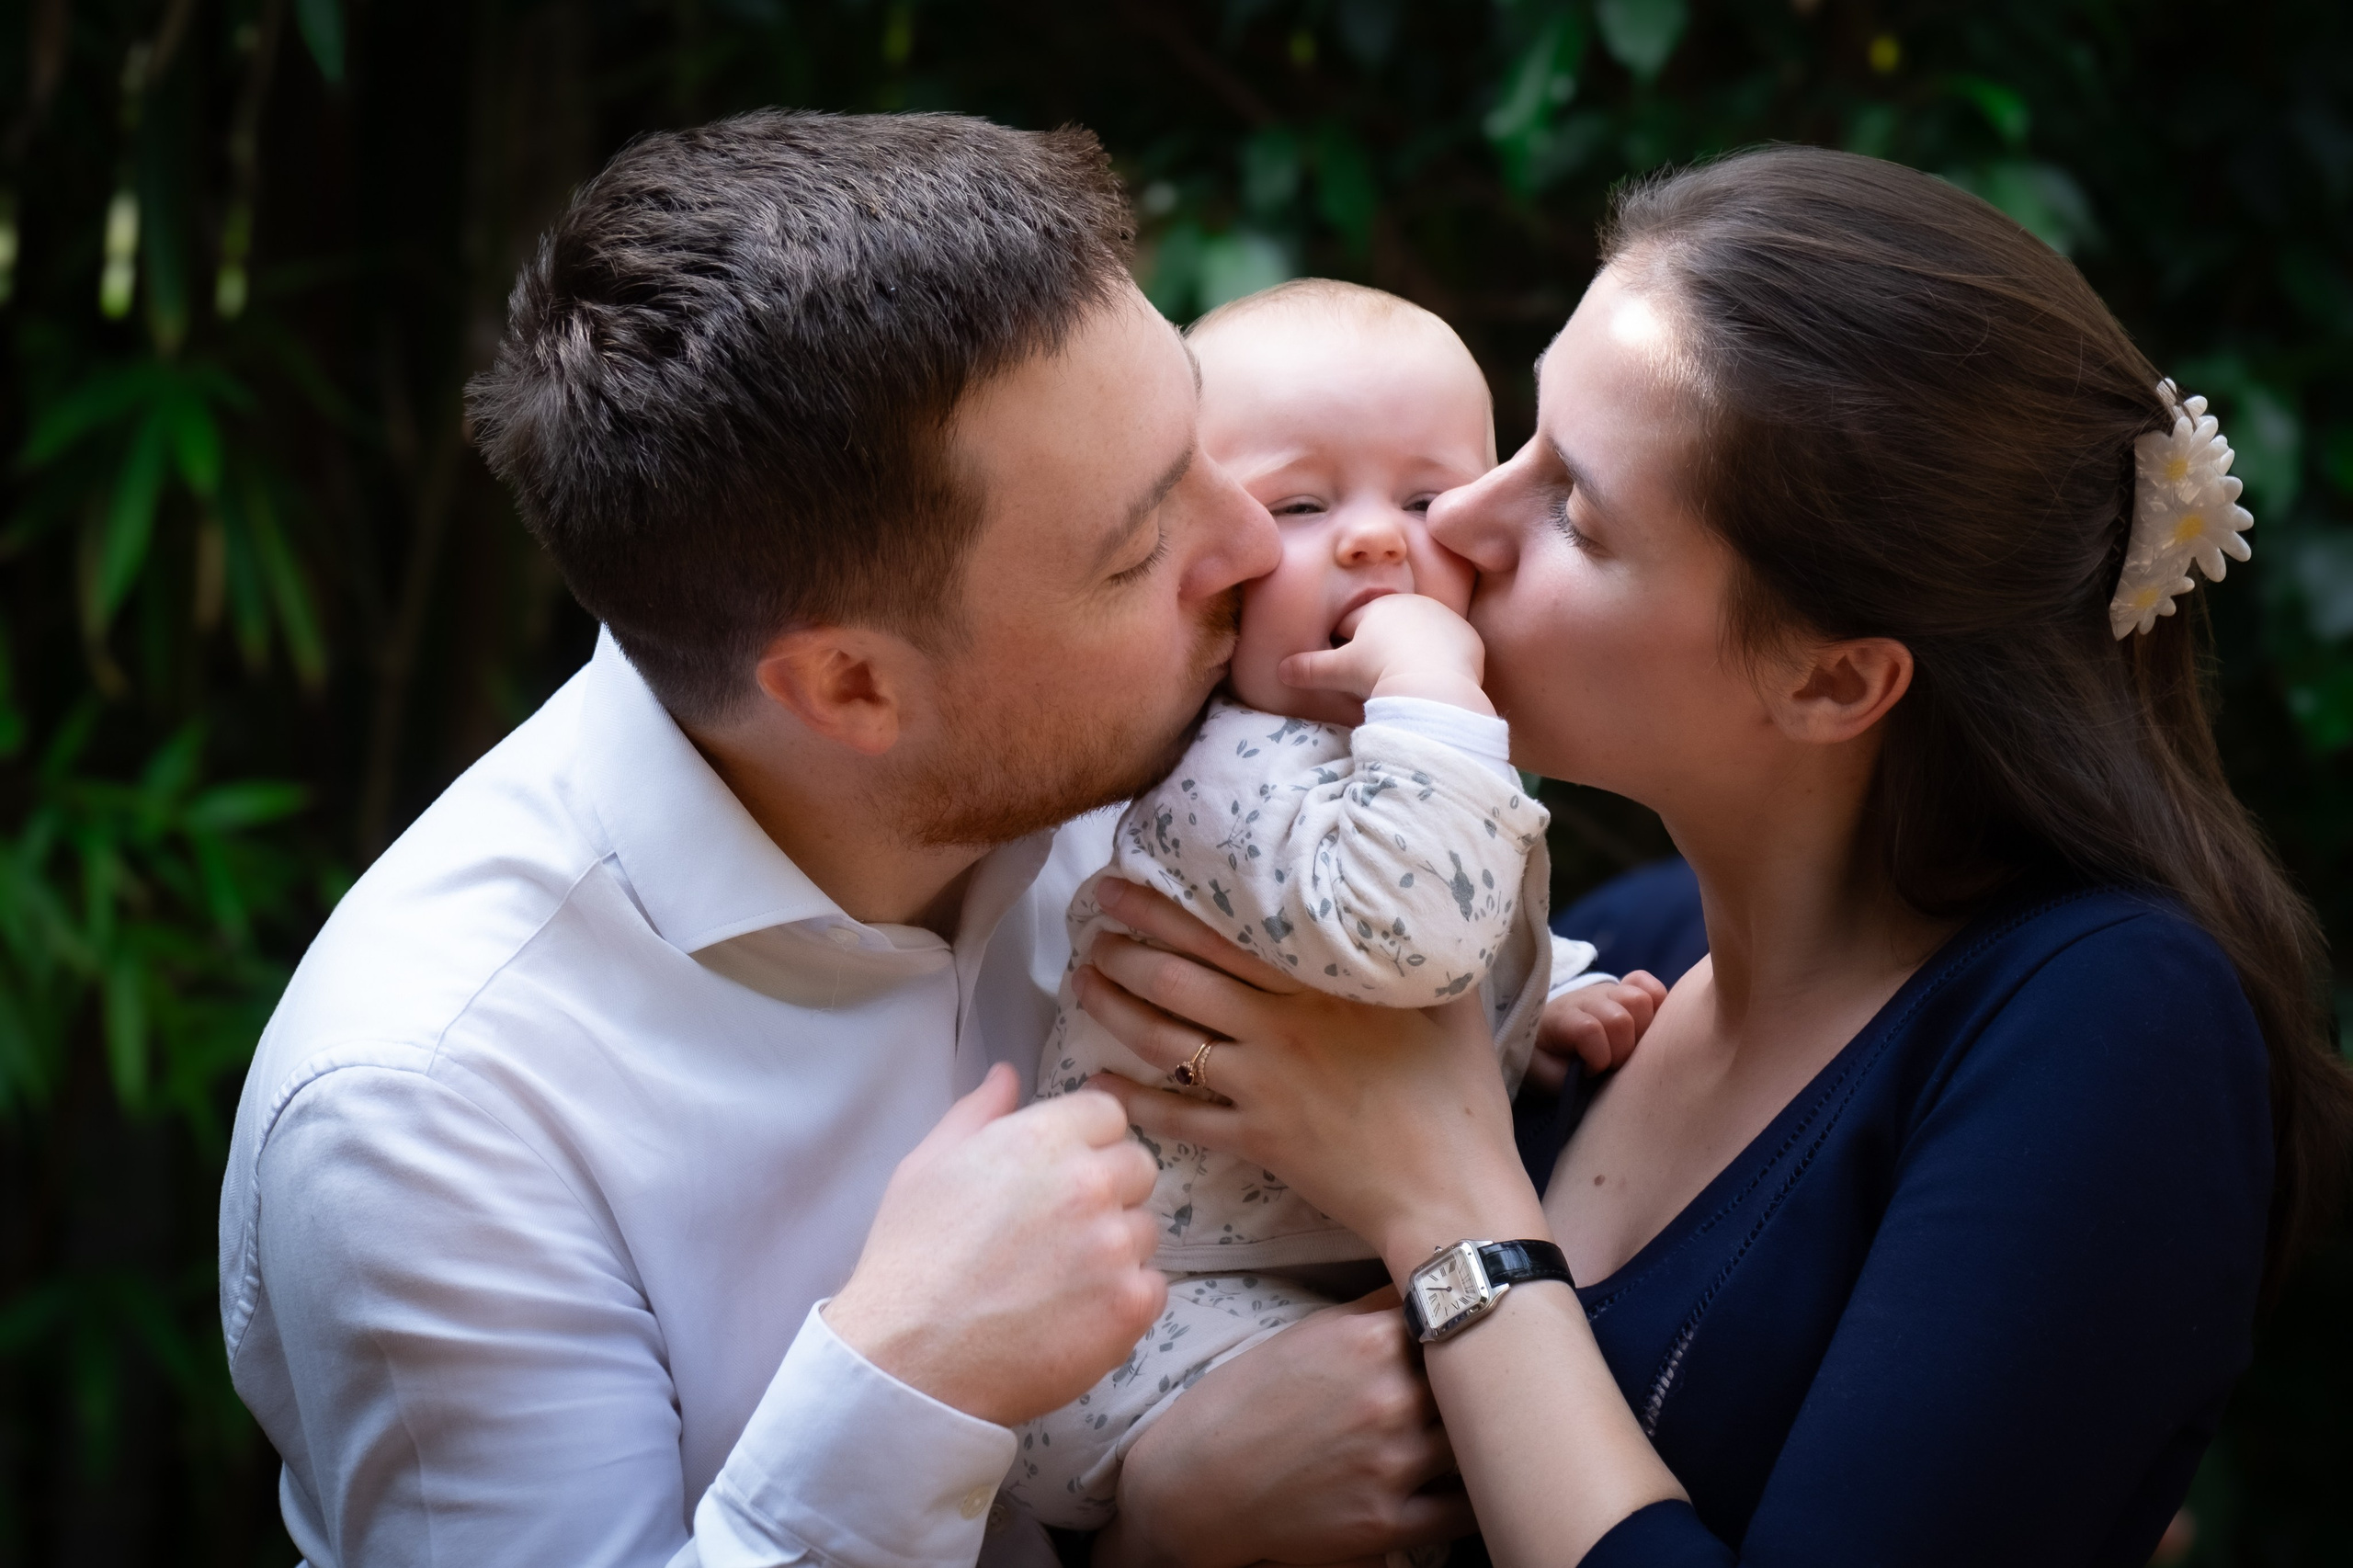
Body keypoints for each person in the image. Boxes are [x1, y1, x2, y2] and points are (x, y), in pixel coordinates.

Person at [216, 111, 1466, 1568]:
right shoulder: (431, 1112)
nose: (1255, 547)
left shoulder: (1180, 753)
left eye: (1203, 438)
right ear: (852, 686)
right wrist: (909, 1391)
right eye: (1138, 552)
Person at [1075, 146, 2353, 1567]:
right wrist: (1161, 1518)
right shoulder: (1605, 956)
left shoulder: (2108, 1028)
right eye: (1525, 435)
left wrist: (1446, 1204)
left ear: (1831, 680)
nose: (1465, 526)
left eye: (1576, 508)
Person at [1006, 280, 1664, 1530]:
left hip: (1283, 1282)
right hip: (1159, 1329)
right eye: (1301, 505)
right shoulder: (1227, 769)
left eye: (1425, 500)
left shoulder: (1401, 750)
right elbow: (1404, 933)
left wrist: (1548, 993)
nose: (1374, 540)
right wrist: (1431, 681)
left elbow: (1451, 926)